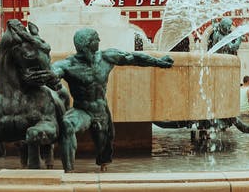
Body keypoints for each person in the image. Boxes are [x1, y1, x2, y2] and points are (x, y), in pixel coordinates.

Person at [51, 28, 173, 170]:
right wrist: (51, 77)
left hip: (101, 110)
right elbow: (53, 72)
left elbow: (134, 58)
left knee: (105, 148)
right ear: (88, 43)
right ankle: (69, 171)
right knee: (67, 125)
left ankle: (103, 165)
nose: (99, 41)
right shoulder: (68, 64)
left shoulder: (106, 57)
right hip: (81, 110)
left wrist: (158, 62)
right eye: (96, 38)